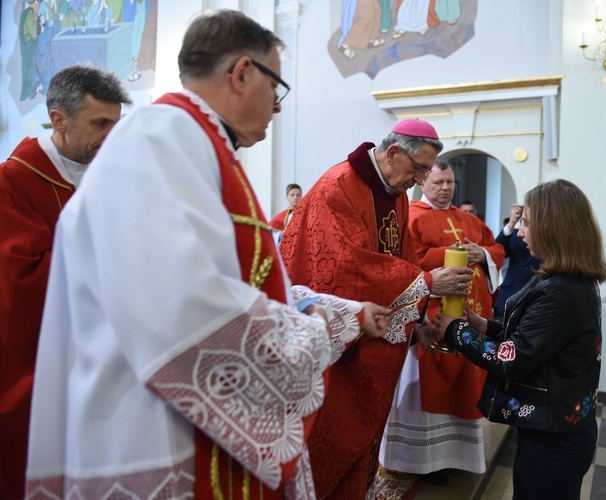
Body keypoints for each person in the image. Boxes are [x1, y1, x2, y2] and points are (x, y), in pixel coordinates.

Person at [24, 10, 391, 499]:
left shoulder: (197, 144)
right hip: (154, 432)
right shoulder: (159, 139)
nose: (277, 107)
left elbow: (243, 280)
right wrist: (312, 333)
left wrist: (331, 313)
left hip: (184, 420)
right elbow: (178, 303)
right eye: (276, 87)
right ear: (241, 73)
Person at [280, 119, 474, 498]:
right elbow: (341, 270)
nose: (420, 180)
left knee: (363, 442)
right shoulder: (339, 187)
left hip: (375, 340)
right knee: (328, 440)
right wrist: (430, 282)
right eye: (419, 168)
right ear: (393, 152)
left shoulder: (396, 195)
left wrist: (416, 323)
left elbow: (404, 258)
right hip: (333, 348)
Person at [429, 179, 606, 500]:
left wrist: (454, 329)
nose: (520, 231)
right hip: (557, 429)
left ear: (553, 227)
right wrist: (482, 324)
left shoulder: (560, 290)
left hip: (553, 438)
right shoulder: (568, 279)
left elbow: (509, 360)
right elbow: (534, 340)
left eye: (527, 222)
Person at [0, 64, 131, 500]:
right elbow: (21, 278)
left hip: (107, 356)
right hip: (40, 358)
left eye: (116, 124)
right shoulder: (12, 181)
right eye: (99, 124)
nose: (111, 136)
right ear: (58, 119)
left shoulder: (110, 173)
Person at [380, 160, 505, 485]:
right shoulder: (412, 215)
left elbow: (496, 248)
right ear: (424, 182)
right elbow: (406, 261)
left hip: (470, 318)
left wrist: (483, 252)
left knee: (465, 387)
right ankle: (417, 461)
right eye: (438, 182)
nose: (446, 188)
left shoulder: (467, 219)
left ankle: (452, 457)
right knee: (424, 389)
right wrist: (449, 252)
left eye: (449, 182)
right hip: (430, 320)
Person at [493, 203, 541, 322]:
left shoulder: (542, 238)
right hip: (510, 293)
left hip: (534, 293)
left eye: (526, 222)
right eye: (522, 222)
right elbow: (496, 250)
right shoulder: (513, 234)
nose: (521, 233)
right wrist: (511, 224)